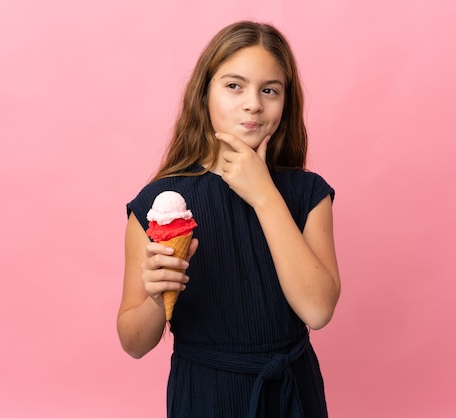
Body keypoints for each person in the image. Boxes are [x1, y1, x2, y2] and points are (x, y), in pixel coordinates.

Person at [117, 20, 341, 418]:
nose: (253, 103)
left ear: (285, 102)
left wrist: (264, 194)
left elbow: (318, 310)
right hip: (205, 394)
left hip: (291, 393)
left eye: (269, 90)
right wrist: (155, 298)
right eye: (234, 86)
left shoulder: (308, 194)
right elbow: (134, 343)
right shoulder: (158, 203)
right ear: (204, 95)